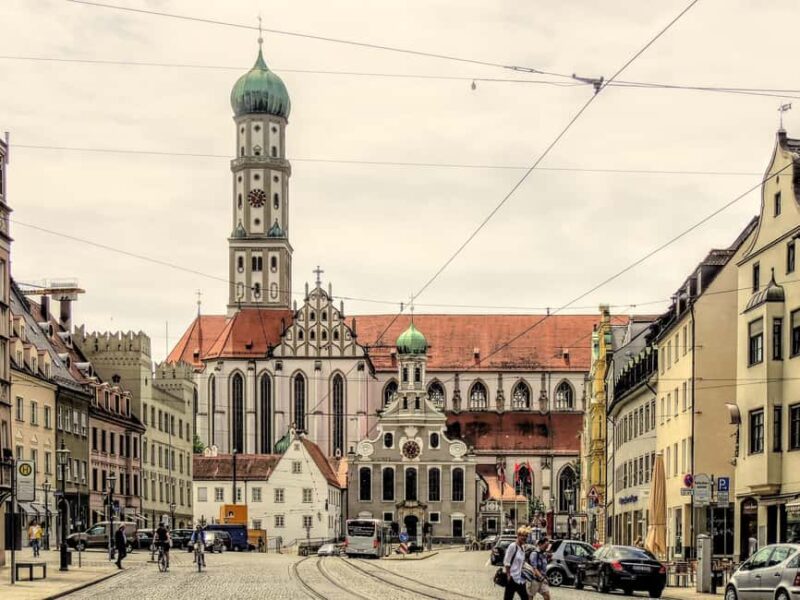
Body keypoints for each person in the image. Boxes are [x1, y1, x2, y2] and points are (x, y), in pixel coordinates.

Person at [503, 526, 530, 600]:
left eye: (526, 536)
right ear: (518, 536)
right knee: (508, 598)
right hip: (512, 578)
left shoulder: (522, 548)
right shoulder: (512, 546)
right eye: (522, 536)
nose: (524, 538)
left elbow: (522, 563)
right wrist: (508, 575)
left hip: (520, 579)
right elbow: (506, 561)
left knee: (525, 598)